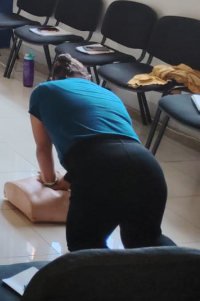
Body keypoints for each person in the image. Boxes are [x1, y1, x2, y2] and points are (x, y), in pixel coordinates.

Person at [29, 54, 175, 252]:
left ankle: (108, 283)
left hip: (97, 166)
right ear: (87, 78)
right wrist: (71, 179)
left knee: (86, 246)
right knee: (147, 239)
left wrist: (50, 181)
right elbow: (109, 141)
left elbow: (44, 148)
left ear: (54, 79)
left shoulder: (44, 90)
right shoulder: (107, 93)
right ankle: (188, 272)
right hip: (146, 164)